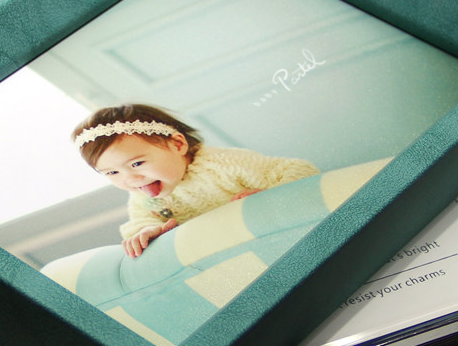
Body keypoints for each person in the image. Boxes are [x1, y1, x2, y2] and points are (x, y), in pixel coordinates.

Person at [72, 103, 319, 257]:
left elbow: (300, 169)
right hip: (228, 248)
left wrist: (271, 194)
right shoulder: (141, 195)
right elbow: (141, 220)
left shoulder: (224, 164)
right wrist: (147, 230)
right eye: (112, 173)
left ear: (177, 144)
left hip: (275, 230)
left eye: (137, 164)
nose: (131, 179)